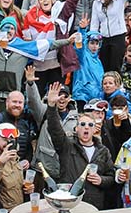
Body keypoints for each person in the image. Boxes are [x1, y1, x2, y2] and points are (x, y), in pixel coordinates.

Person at [45, 82, 115, 210]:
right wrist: (51, 106)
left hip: (94, 204)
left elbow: (111, 176)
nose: (86, 128)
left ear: (94, 129)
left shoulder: (103, 151)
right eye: (82, 124)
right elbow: (55, 130)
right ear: (76, 128)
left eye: (90, 125)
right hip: (71, 203)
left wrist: (101, 180)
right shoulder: (67, 146)